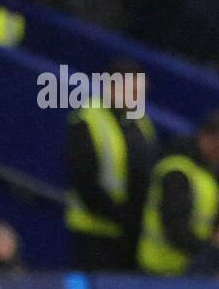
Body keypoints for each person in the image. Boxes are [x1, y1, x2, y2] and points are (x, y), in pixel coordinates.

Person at [64, 61, 158, 271]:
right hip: (93, 232)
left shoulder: (141, 122)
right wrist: (122, 217)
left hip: (131, 235)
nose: (137, 99)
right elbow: (84, 180)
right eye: (132, 91)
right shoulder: (87, 120)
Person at [136, 108, 219, 275]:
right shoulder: (177, 171)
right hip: (160, 269)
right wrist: (215, 251)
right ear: (205, 138)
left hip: (195, 267)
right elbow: (175, 228)